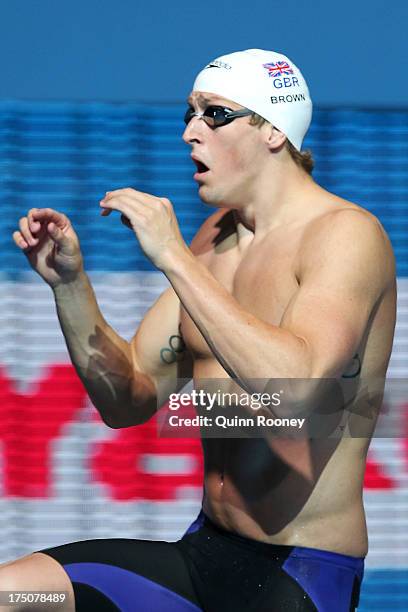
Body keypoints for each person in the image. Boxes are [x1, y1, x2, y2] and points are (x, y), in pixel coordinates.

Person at [2, 49, 396, 611]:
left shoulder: (346, 237)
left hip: (297, 576)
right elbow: (129, 399)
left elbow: (298, 387)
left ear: (273, 131)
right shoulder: (217, 237)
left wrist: (174, 258)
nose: (190, 132)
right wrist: (70, 286)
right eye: (187, 113)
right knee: (14, 595)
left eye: (214, 114)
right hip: (203, 553)